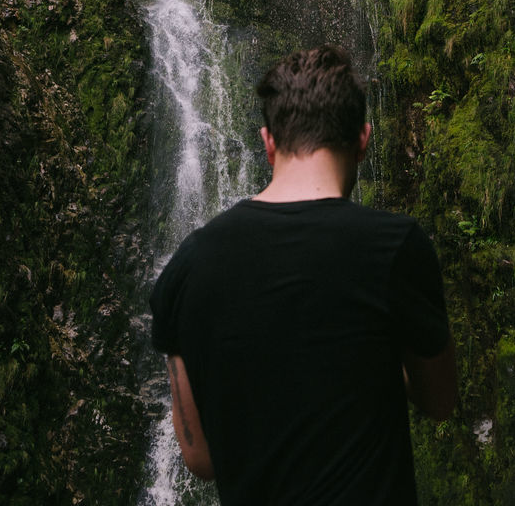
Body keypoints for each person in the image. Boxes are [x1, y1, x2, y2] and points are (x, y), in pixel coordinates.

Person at [149, 44, 457, 505]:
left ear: (268, 143)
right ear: (363, 139)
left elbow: (199, 459)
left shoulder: (187, 268)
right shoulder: (397, 247)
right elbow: (440, 400)